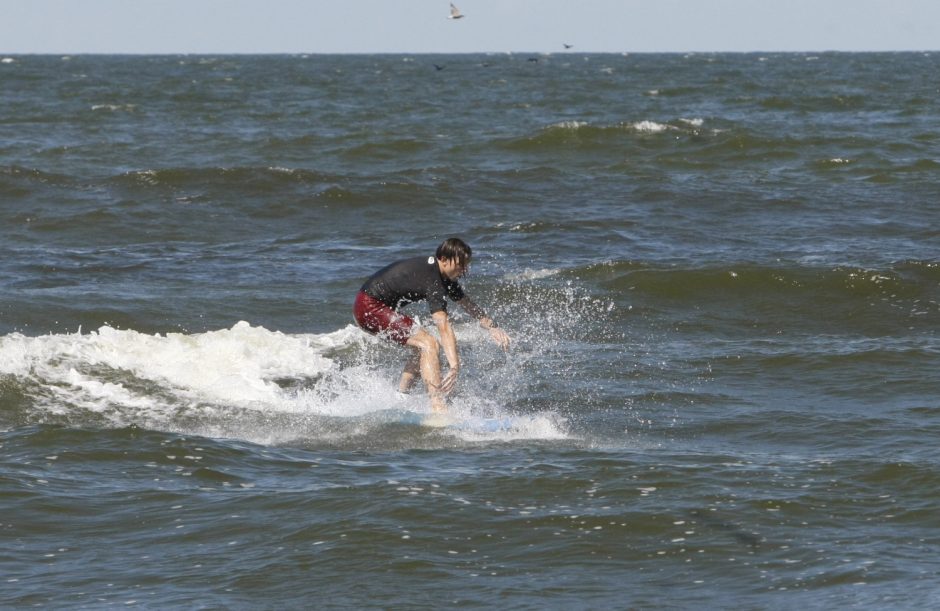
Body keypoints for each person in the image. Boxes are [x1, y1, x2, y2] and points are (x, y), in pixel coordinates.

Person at [353, 238, 510, 412]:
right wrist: (454, 366)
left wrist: (492, 326)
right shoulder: (433, 279)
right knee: (429, 344)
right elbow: (443, 326)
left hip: (370, 305)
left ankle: (401, 396)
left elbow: (467, 303)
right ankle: (438, 406)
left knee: (422, 346)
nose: (464, 270)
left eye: (466, 265)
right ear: (443, 259)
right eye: (460, 265)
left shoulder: (442, 276)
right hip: (369, 307)